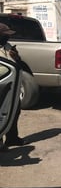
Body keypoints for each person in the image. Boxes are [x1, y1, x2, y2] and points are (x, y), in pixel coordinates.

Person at [0, 23, 26, 151]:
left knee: (14, 111)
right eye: (5, 35)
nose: (7, 38)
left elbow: (17, 63)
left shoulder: (8, 47)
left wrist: (16, 57)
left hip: (11, 86)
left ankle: (12, 138)